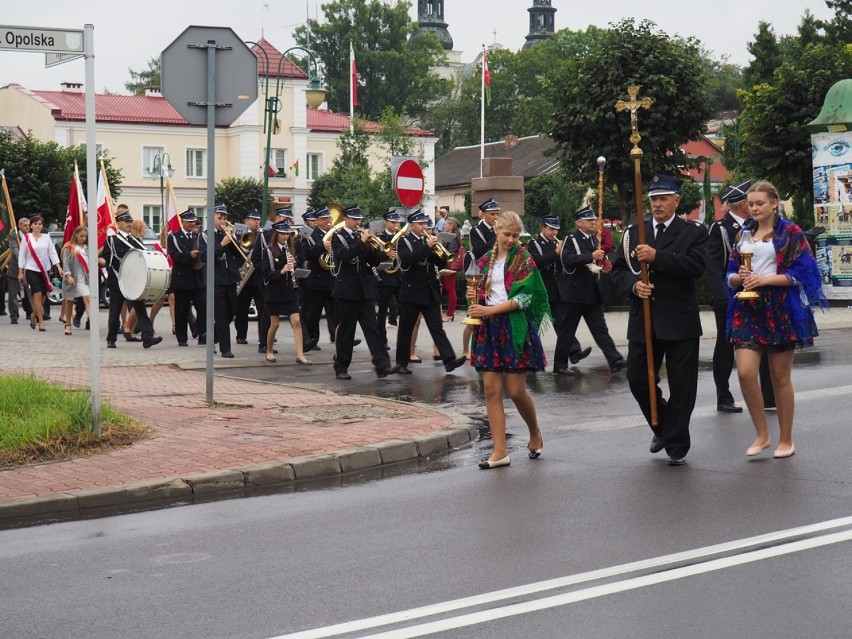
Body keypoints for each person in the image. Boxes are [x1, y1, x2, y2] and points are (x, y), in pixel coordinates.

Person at [611, 174, 708, 466]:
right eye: (653, 199)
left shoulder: (693, 231)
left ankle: (676, 443)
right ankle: (663, 426)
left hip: (679, 321)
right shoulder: (634, 232)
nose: (657, 204)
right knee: (637, 378)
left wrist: (658, 257)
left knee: (682, 385)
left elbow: (697, 267)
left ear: (677, 201)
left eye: (664, 198)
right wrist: (633, 285)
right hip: (645, 319)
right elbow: (617, 271)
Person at [726, 180, 826, 459]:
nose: (754, 208)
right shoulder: (744, 234)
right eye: (751, 204)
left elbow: (806, 273)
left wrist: (766, 279)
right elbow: (731, 271)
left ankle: (786, 439)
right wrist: (738, 279)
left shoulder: (791, 233)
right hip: (748, 308)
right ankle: (762, 434)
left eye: (760, 203)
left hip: (780, 307)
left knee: (780, 377)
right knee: (746, 373)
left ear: (774, 203)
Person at [467, 211, 550, 469]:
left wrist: (489, 310)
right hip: (489, 329)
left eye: (515, 235)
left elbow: (525, 299)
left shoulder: (525, 260)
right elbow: (479, 295)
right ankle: (500, 451)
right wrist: (473, 293)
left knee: (515, 391)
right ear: (496, 231)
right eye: (507, 234)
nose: (512, 239)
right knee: (491, 390)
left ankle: (534, 431)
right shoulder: (482, 262)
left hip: (514, 328)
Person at [707, 180, 776, 413]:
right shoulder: (721, 228)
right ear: (742, 205)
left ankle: (769, 396)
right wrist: (722, 296)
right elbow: (714, 266)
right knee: (726, 347)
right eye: (749, 203)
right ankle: (723, 396)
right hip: (730, 296)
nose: (753, 207)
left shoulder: (757, 226)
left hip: (760, 294)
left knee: (765, 343)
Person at [328, 204, 398, 380]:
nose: (358, 222)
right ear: (345, 219)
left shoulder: (362, 238)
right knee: (346, 331)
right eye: (354, 219)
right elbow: (345, 256)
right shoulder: (338, 238)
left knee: (372, 329)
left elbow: (372, 261)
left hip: (364, 290)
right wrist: (362, 242)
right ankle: (341, 366)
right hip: (346, 291)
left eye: (359, 219)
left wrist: (385, 253)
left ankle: (383, 366)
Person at [395, 209, 467, 375]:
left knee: (437, 327)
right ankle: (401, 363)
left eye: (426, 224)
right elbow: (408, 260)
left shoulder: (428, 241)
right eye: (421, 224)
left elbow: (440, 264)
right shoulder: (404, 241)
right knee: (406, 329)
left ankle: (449, 360)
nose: (424, 227)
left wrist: (442, 251)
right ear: (412, 225)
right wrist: (427, 247)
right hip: (411, 292)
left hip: (429, 290)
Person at [557, 205, 626, 372]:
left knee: (600, 329)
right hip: (574, 293)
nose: (594, 222)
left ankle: (615, 360)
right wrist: (590, 256)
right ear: (579, 223)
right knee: (567, 331)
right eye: (589, 220)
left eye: (594, 220)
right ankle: (559, 365)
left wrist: (603, 263)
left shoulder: (595, 240)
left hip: (592, 292)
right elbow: (566, 260)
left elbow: (596, 262)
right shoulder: (571, 240)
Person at [528, 215, 590, 375]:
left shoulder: (558, 243)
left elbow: (565, 263)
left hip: (556, 290)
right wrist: (556, 253)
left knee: (563, 325)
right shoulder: (534, 243)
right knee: (534, 327)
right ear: (543, 227)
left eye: (556, 229)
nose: (554, 232)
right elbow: (536, 263)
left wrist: (564, 253)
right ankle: (529, 360)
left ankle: (572, 354)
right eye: (551, 229)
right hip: (540, 291)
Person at [99, 208, 163, 349]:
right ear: (118, 224)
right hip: (117, 281)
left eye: (130, 221)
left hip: (133, 282)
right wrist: (102, 261)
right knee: (115, 312)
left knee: (140, 310)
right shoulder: (112, 240)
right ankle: (111, 339)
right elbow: (105, 257)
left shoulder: (134, 240)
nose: (129, 223)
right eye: (126, 221)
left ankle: (147, 337)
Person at [260, 220, 311, 364]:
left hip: (290, 290)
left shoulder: (290, 249)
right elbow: (266, 274)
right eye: (282, 234)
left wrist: (294, 267)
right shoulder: (268, 251)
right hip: (274, 292)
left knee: (296, 322)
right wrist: (282, 271)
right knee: (274, 324)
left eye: (287, 234)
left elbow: (295, 267)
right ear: (276, 234)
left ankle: (300, 354)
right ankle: (269, 350)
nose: (285, 236)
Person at [299, 207, 338, 353]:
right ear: (317, 222)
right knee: (313, 314)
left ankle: (339, 337)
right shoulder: (310, 235)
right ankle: (311, 340)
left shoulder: (334, 234)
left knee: (336, 312)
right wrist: (322, 246)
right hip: (316, 280)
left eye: (329, 219)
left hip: (331, 279)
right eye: (324, 219)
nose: (328, 221)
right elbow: (306, 254)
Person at [167, 208, 207, 347]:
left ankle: (203, 335)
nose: (192, 224)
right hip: (182, 278)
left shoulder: (198, 236)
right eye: (189, 221)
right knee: (181, 310)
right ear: (182, 221)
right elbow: (175, 256)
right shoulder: (174, 237)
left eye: (193, 221)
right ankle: (182, 338)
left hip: (197, 279)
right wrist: (189, 255)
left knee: (203, 307)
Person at [16, 214, 62, 331]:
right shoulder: (27, 238)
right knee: (36, 293)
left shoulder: (46, 238)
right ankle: (40, 321)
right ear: (31, 226)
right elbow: (22, 255)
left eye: (40, 224)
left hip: (45, 270)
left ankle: (33, 315)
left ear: (42, 226)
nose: (37, 225)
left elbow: (52, 253)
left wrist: (58, 266)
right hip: (31, 269)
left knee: (43, 296)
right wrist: (21, 271)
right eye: (35, 223)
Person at [212, 204, 242, 358]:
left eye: (225, 218)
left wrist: (234, 239)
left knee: (232, 311)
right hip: (216, 280)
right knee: (222, 315)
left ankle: (211, 336)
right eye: (219, 218)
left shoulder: (228, 235)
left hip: (230, 278)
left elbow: (239, 255)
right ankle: (226, 349)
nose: (223, 221)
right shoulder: (206, 235)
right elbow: (205, 257)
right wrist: (222, 244)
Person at [234, 208, 263, 346]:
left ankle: (264, 336)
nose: (257, 222)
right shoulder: (239, 235)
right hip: (244, 276)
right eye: (253, 219)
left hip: (257, 276)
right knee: (242, 309)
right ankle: (241, 335)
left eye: (258, 220)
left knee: (263, 308)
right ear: (246, 221)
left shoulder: (262, 235)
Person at [376, 208, 403, 348]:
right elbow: (374, 256)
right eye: (393, 222)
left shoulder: (400, 237)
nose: (396, 225)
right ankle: (382, 339)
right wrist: (387, 254)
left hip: (399, 277)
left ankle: (404, 340)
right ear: (386, 222)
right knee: (382, 311)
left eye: (397, 222)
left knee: (403, 309)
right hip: (385, 278)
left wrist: (400, 255)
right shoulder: (379, 237)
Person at [60, 225, 91, 336]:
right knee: (69, 302)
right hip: (72, 278)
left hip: (85, 279)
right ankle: (68, 324)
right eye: (81, 236)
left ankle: (92, 321)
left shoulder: (88, 248)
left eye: (85, 236)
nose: (83, 238)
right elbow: (66, 265)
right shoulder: (69, 248)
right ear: (76, 235)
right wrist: (68, 276)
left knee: (88, 299)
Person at [5, 217, 32, 325]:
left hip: (29, 269)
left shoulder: (31, 236)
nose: (27, 227)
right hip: (15, 270)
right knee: (12, 294)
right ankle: (14, 316)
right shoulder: (13, 236)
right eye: (25, 225)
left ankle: (33, 313)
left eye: (28, 225)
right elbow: (14, 249)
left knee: (30, 293)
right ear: (20, 226)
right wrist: (23, 259)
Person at [441, 216, 465, 322]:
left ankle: (450, 314)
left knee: (451, 290)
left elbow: (451, 252)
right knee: (447, 289)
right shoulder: (448, 236)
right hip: (446, 266)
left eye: (446, 224)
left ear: (451, 226)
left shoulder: (453, 237)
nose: (444, 225)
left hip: (450, 266)